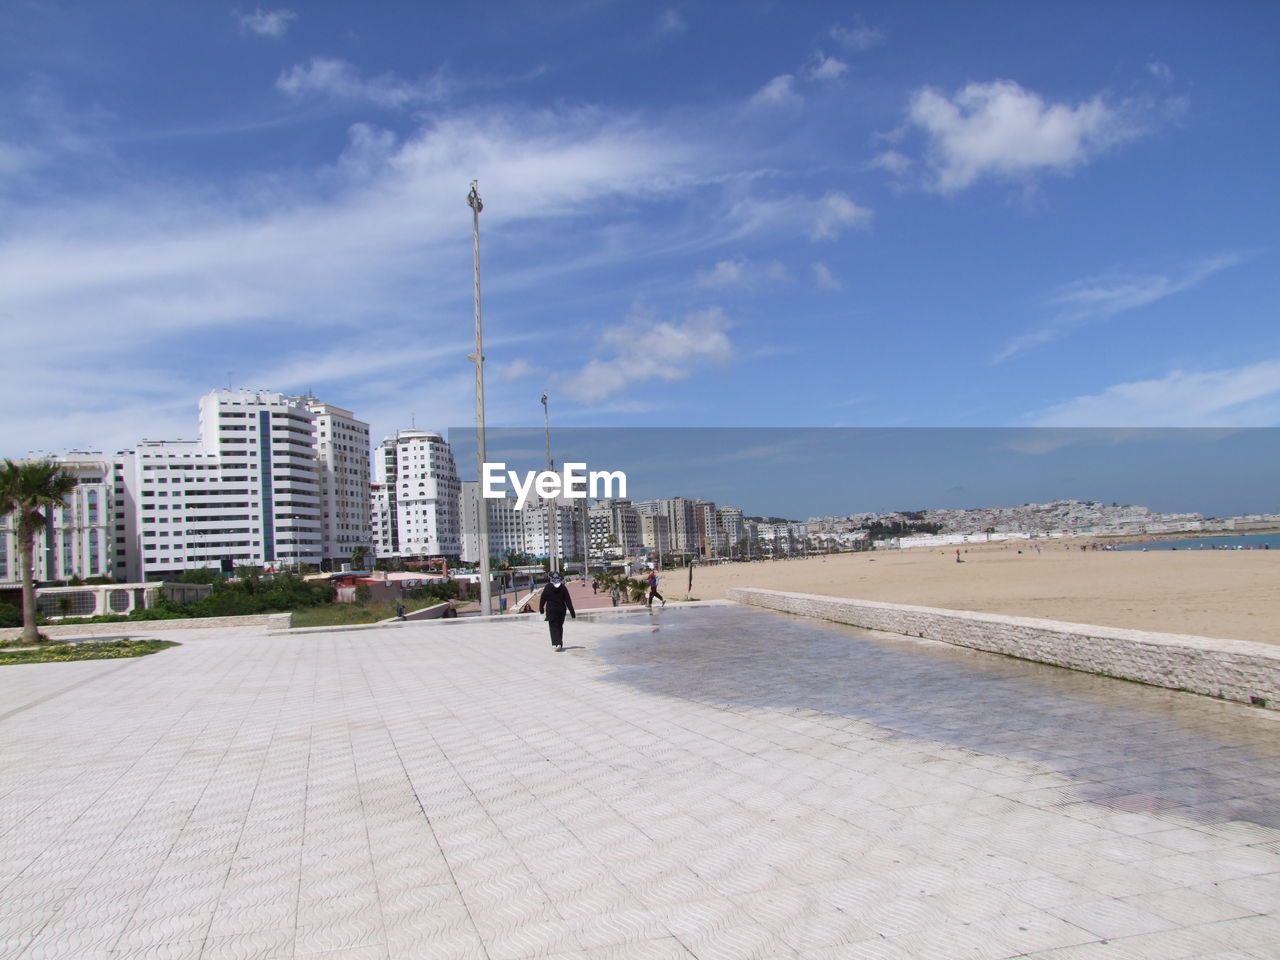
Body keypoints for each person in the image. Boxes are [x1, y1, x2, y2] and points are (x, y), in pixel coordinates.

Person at [539, 571, 576, 651]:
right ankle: (559, 643)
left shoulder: (548, 587)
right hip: (561, 610)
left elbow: (542, 599)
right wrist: (572, 613)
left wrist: (541, 609)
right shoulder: (563, 587)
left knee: (553, 627)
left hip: (551, 610)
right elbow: (568, 601)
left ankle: (557, 643)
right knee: (559, 626)